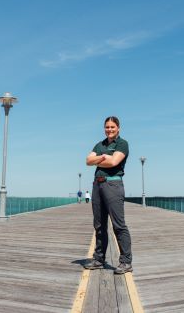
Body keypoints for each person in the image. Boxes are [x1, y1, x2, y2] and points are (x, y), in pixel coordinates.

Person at [83, 116, 133, 274]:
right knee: (99, 225)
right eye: (107, 127)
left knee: (118, 225)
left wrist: (98, 159)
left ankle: (126, 262)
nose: (109, 130)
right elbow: (87, 160)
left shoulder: (122, 143)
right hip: (97, 185)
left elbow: (113, 163)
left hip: (113, 184)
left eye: (112, 127)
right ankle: (99, 259)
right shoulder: (100, 144)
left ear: (118, 128)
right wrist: (104, 157)